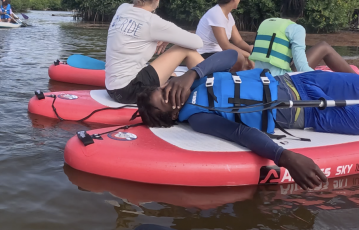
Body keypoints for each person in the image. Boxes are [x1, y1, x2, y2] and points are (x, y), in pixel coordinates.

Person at [135, 50, 359, 190]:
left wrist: (191, 74)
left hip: (304, 82)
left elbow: (233, 56)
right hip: (312, 113)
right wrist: (284, 157)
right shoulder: (198, 118)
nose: (169, 91)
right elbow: (240, 133)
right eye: (165, 99)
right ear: (173, 114)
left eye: (163, 89)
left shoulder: (199, 78)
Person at [106, 0, 204, 104]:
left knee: (172, 73)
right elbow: (198, 42)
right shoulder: (152, 22)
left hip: (113, 89)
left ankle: (191, 90)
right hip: (129, 91)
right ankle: (214, 89)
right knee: (185, 48)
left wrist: (168, 37)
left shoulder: (122, 9)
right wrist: (171, 38)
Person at [249, 0, 356, 75]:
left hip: (260, 76)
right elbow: (302, 68)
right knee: (324, 47)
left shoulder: (265, 22)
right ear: (301, 12)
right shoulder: (296, 29)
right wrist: (322, 77)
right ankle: (356, 80)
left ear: (282, 7)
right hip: (280, 80)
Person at [195, 0, 254, 70]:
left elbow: (238, 41)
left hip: (217, 54)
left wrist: (250, 49)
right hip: (205, 55)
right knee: (239, 58)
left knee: (248, 64)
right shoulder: (216, 14)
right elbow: (225, 46)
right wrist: (248, 55)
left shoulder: (228, 15)